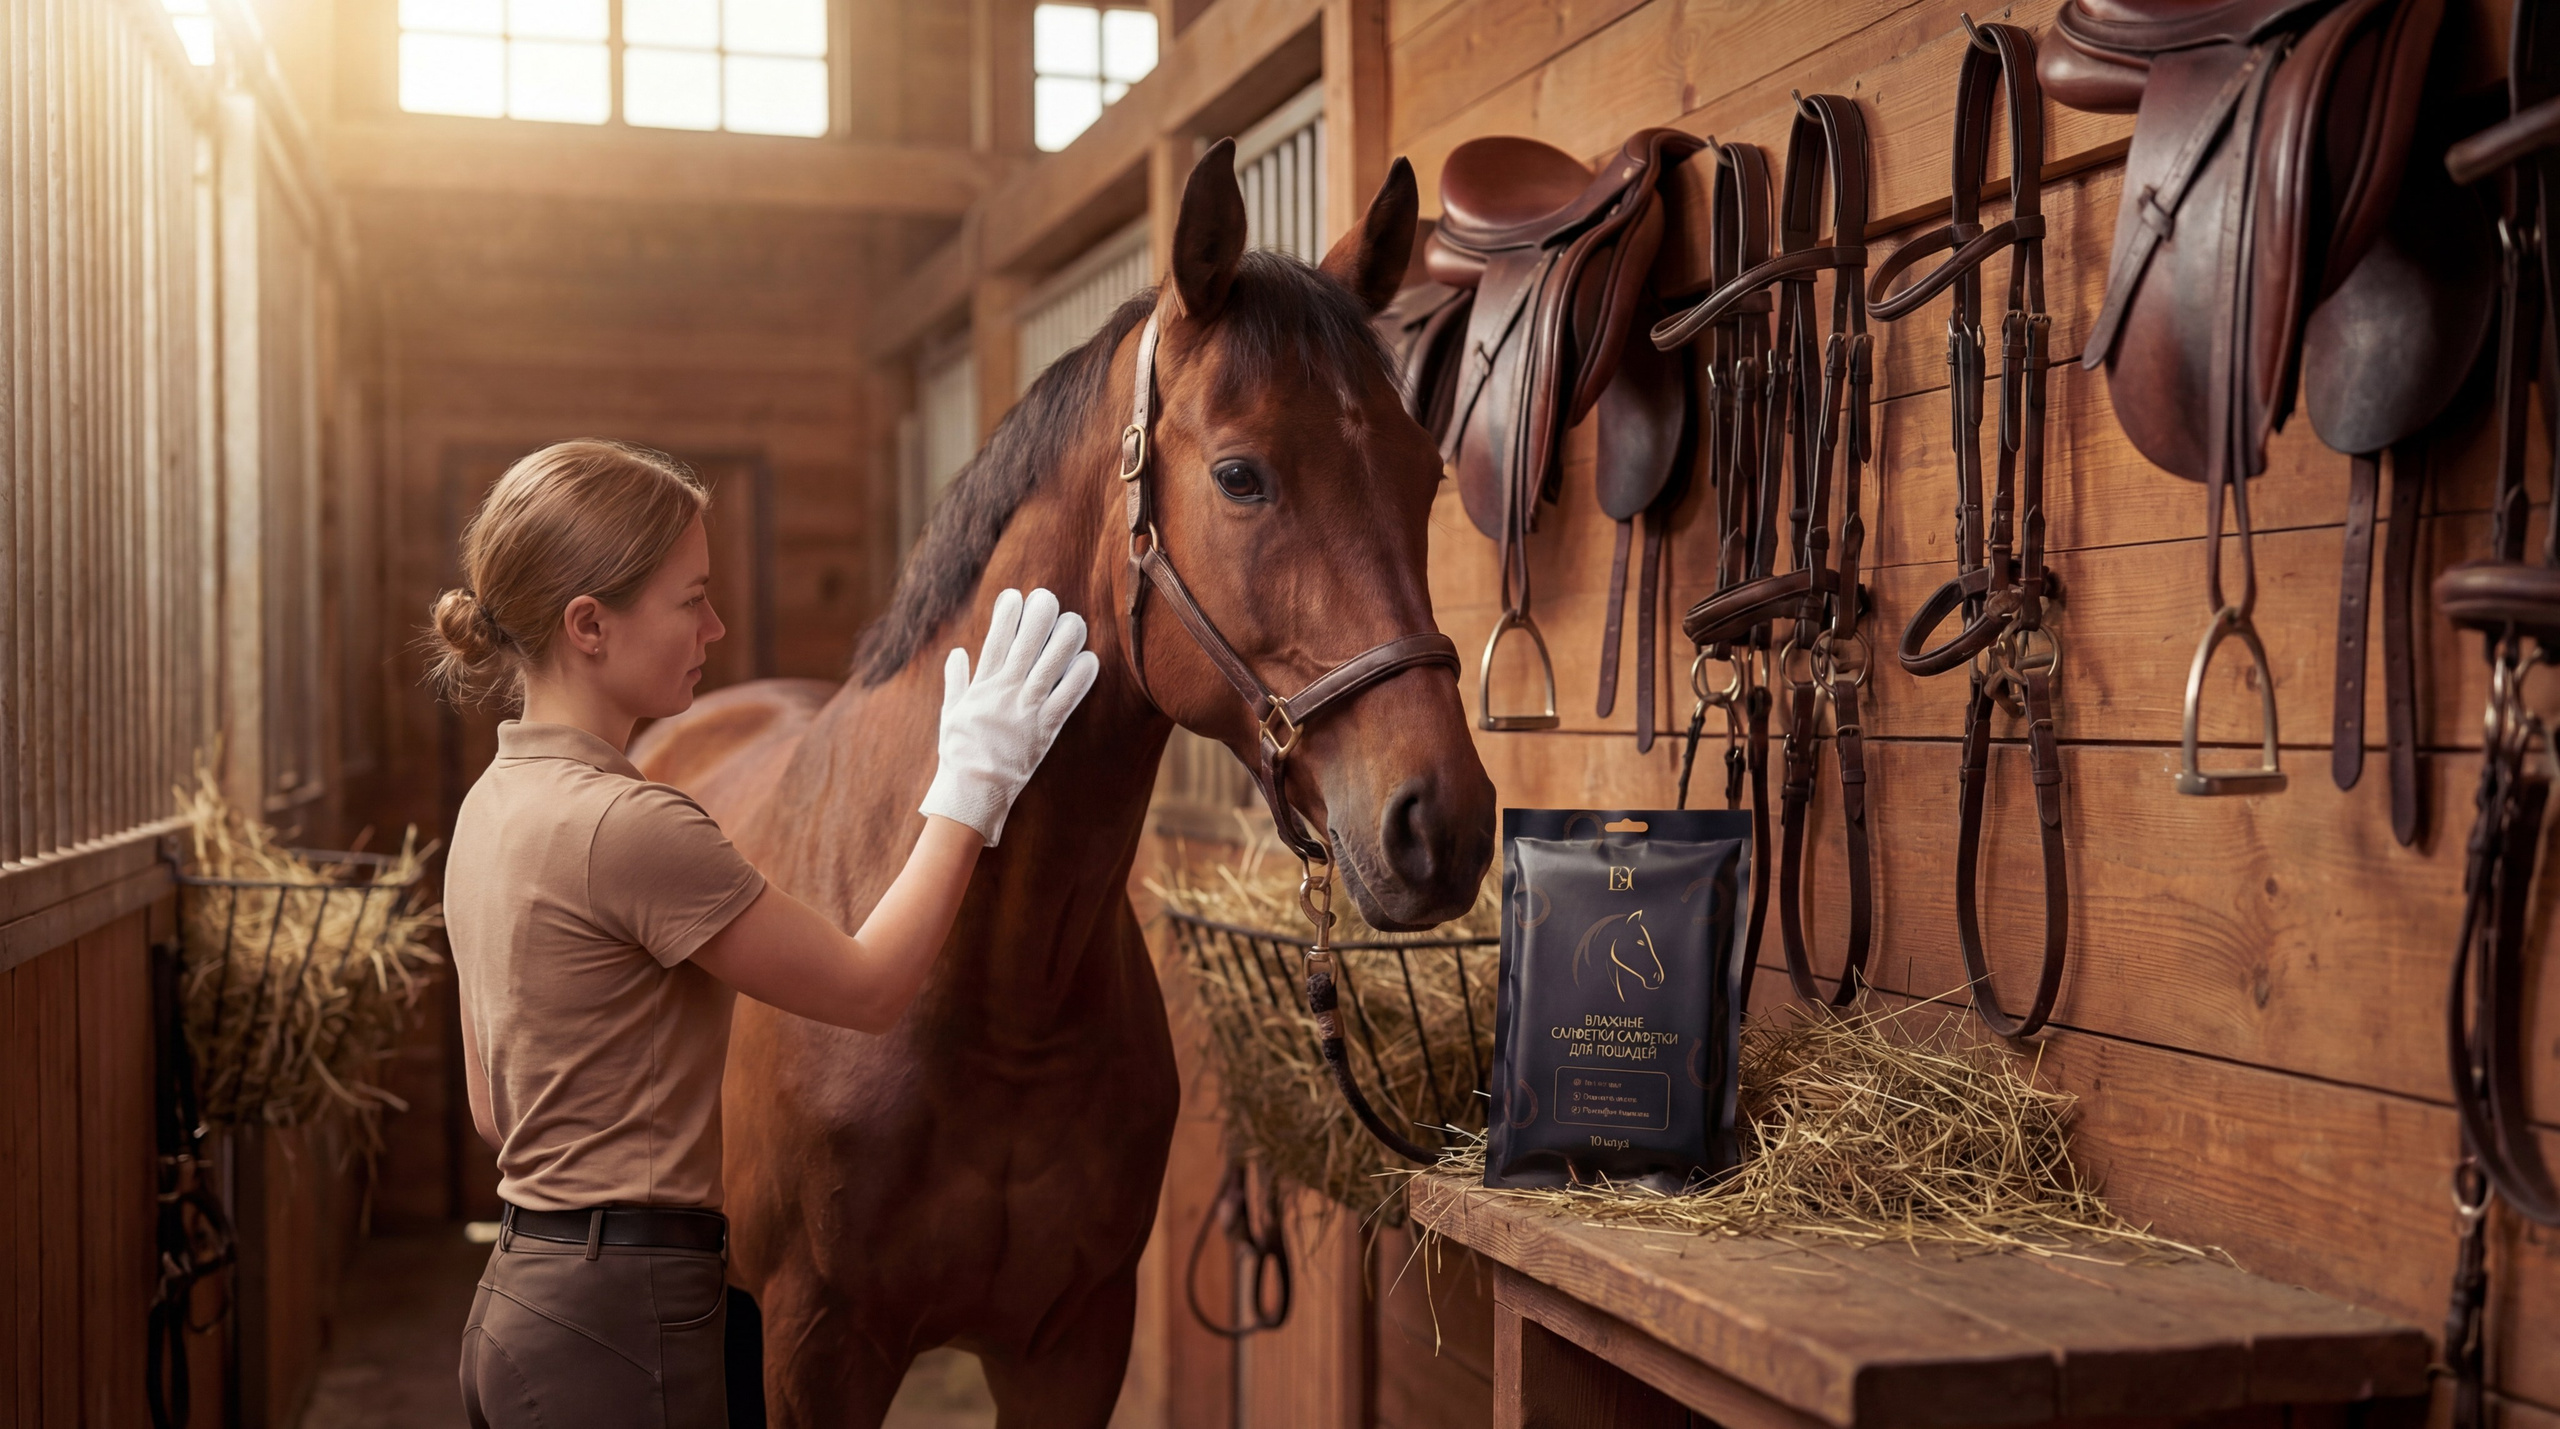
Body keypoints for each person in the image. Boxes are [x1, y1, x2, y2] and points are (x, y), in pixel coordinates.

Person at [427, 439, 1097, 1429]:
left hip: (519, 1305)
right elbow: (871, 988)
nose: (716, 626)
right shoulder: (631, 826)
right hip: (623, 1324)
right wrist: (974, 780)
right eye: (691, 600)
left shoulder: (492, 805)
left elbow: (496, 1113)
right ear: (589, 624)